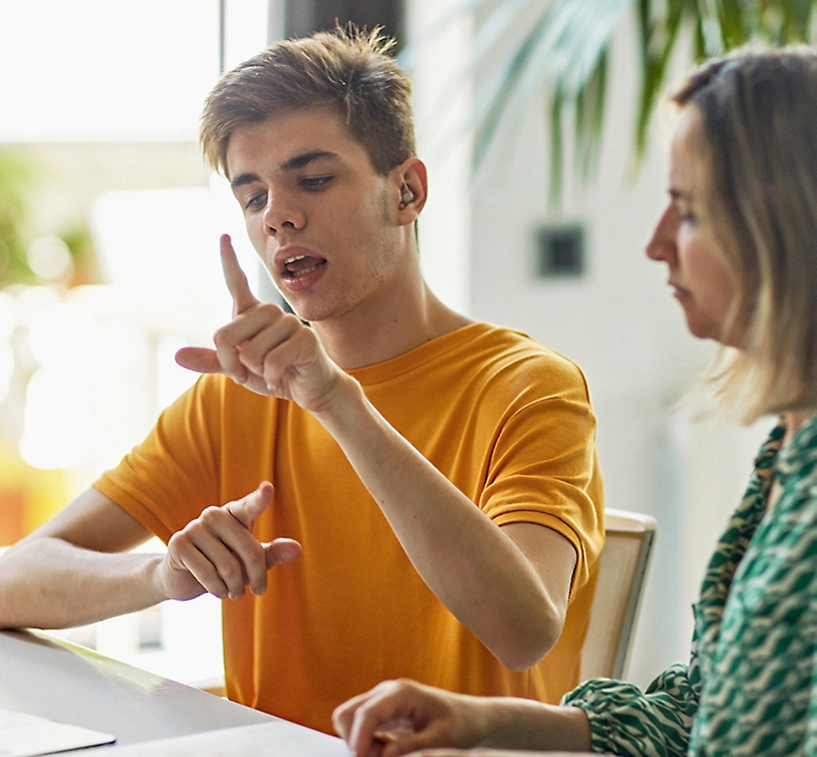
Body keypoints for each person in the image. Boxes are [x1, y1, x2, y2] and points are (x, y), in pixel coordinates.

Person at [0, 27, 604, 734]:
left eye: (313, 179)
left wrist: (336, 400)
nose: (278, 215)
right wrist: (159, 577)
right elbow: (7, 585)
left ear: (407, 189)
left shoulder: (528, 386)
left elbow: (523, 628)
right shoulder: (234, 396)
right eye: (252, 197)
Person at [333, 46, 817, 757]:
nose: (655, 244)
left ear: (781, 227)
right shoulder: (790, 449)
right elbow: (704, 710)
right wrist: (483, 720)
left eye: (687, 212)